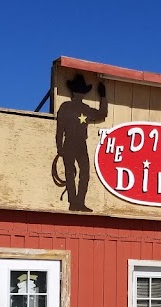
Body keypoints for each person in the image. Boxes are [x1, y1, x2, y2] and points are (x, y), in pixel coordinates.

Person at [55, 74, 107, 212]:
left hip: (72, 143)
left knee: (74, 173)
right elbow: (103, 113)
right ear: (83, 93)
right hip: (77, 143)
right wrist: (103, 96)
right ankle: (77, 202)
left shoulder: (66, 107)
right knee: (82, 173)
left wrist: (60, 147)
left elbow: (60, 129)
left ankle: (76, 202)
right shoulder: (84, 109)